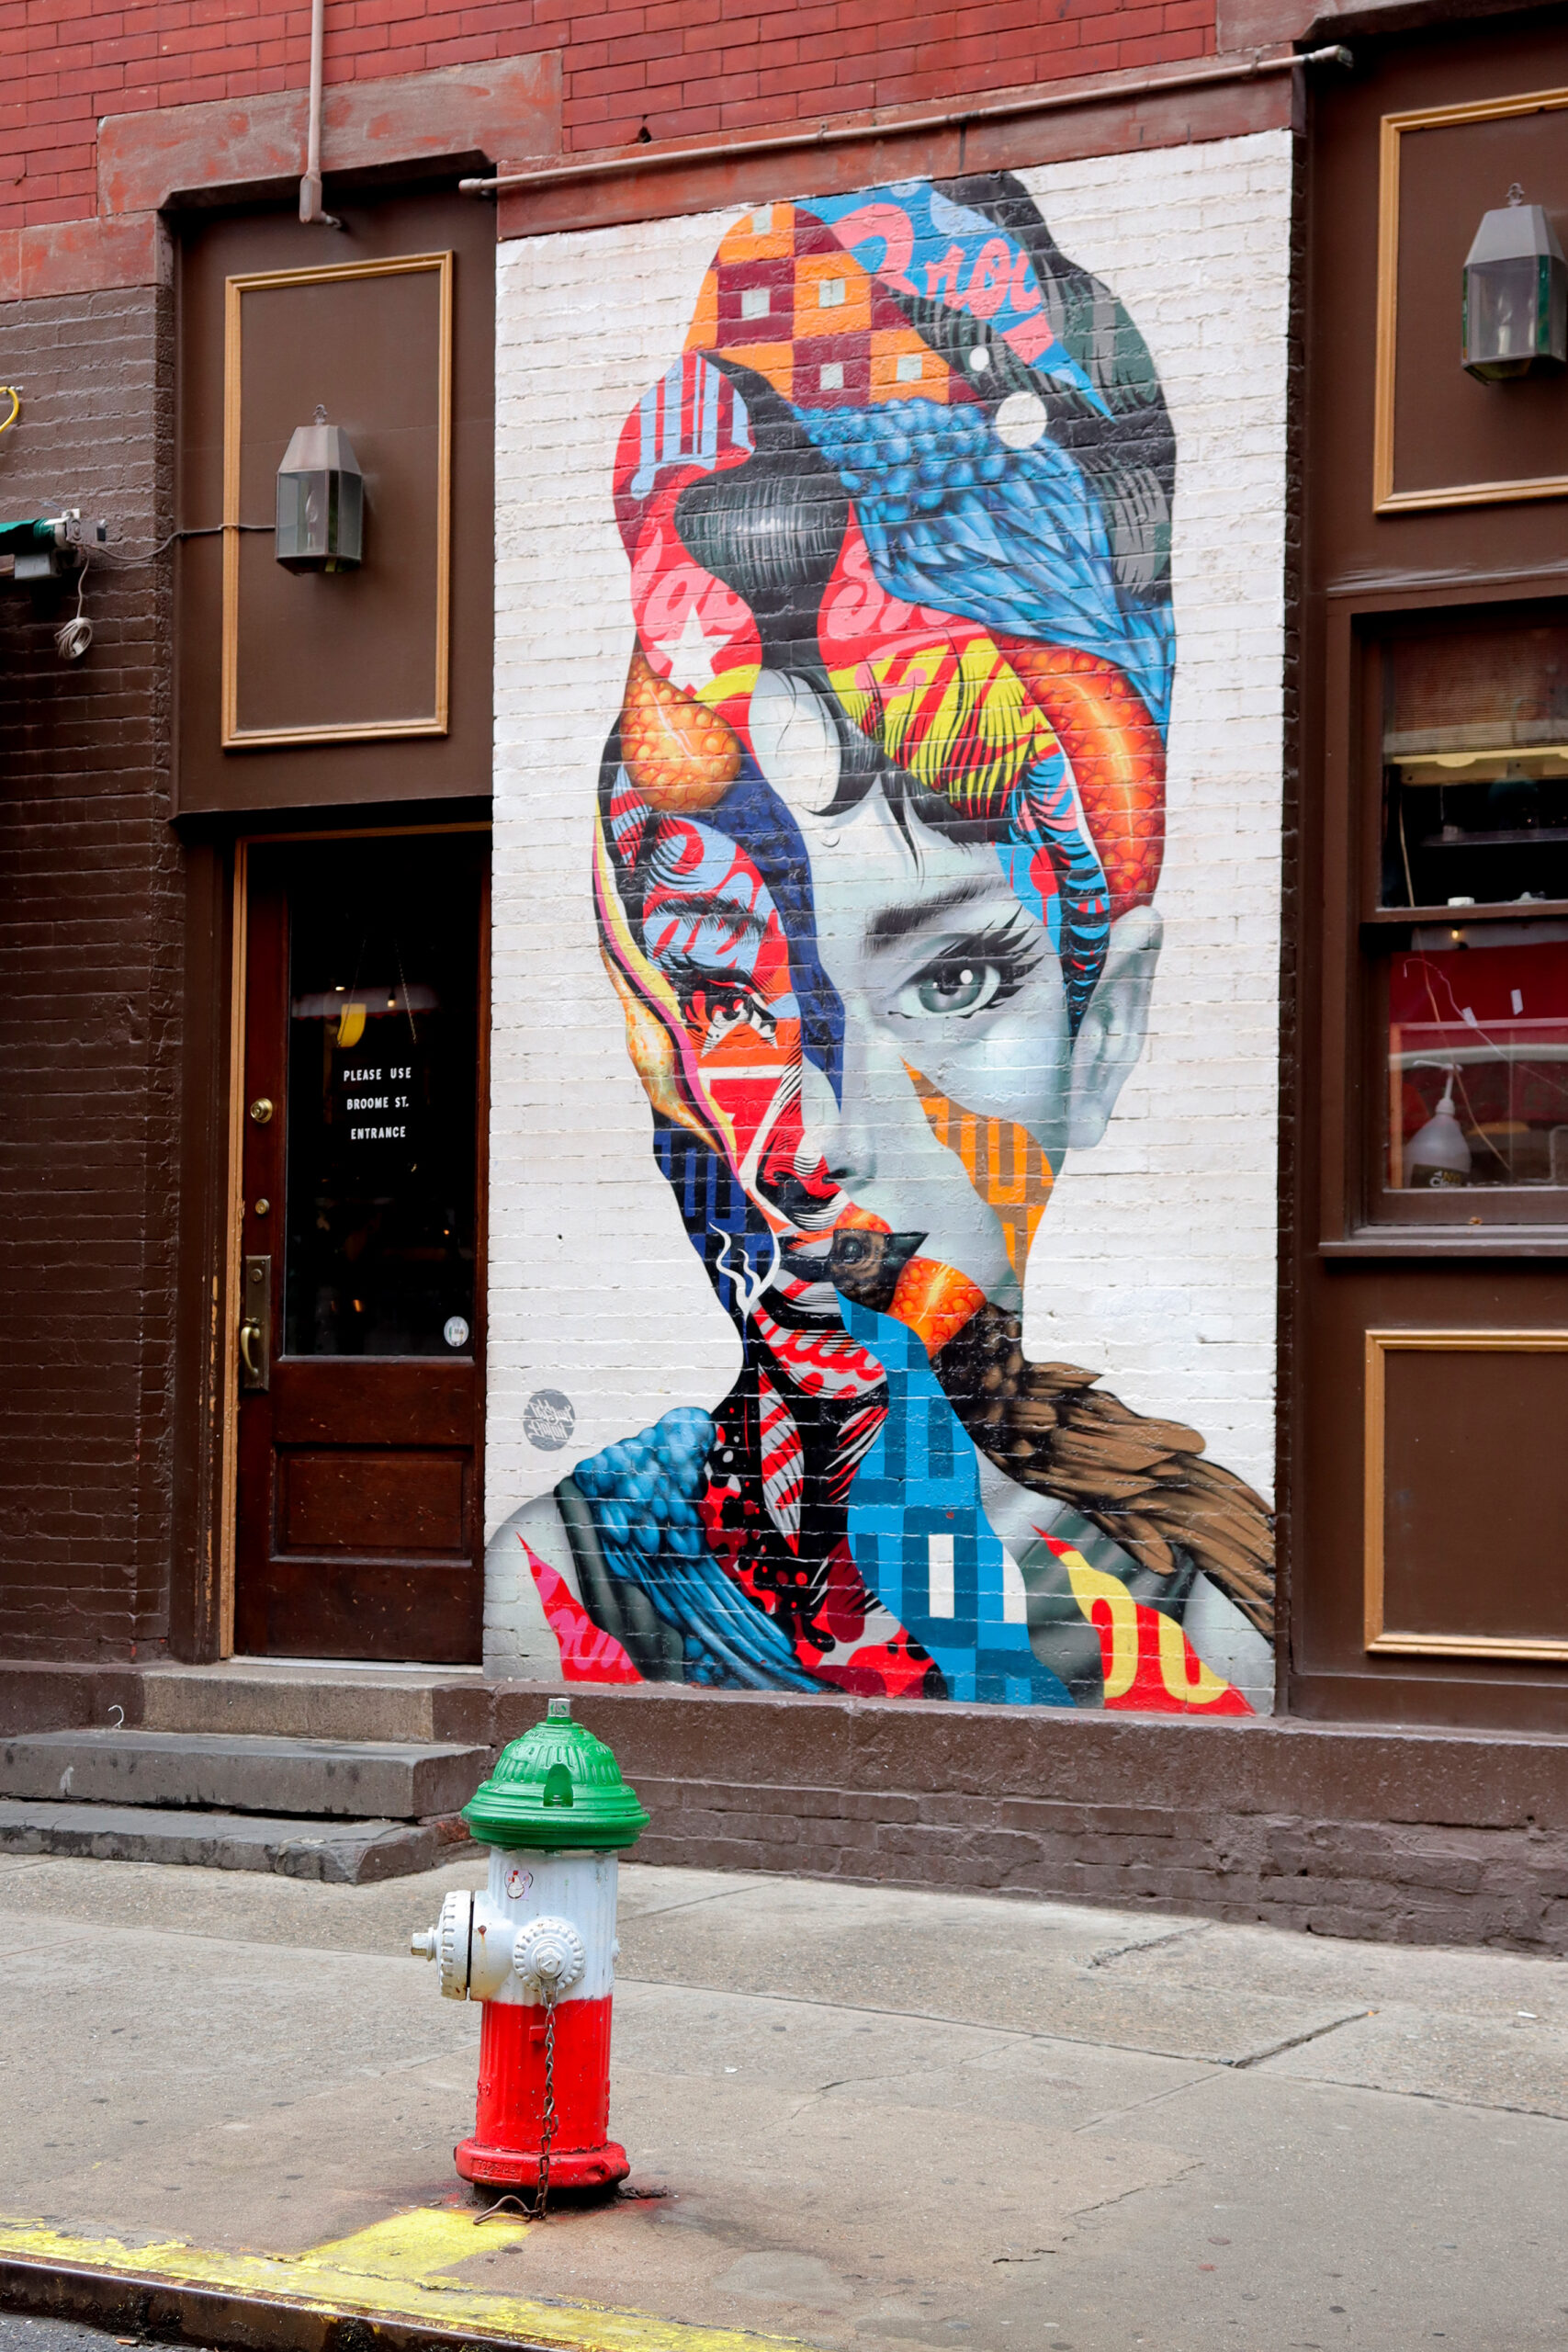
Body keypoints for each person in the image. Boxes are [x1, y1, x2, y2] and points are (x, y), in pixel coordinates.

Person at [492, 174, 1274, 1712]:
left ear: (1104, 1030)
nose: (827, 1136)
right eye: (733, 995)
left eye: (956, 980)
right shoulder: (567, 1595)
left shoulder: (1214, 1635)